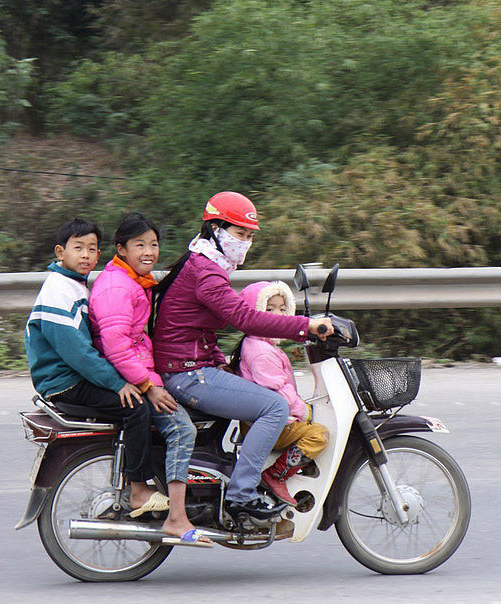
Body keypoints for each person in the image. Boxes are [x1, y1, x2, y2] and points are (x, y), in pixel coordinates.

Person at [152, 191, 333, 522]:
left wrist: (220, 357)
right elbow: (245, 318)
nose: (245, 242)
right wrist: (306, 326)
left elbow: (196, 325)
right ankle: (242, 495)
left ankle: (233, 477)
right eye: (239, 234)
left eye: (249, 236)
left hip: (192, 366)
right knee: (274, 406)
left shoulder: (205, 263)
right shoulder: (206, 271)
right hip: (188, 374)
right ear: (216, 229)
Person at [25, 218, 165, 518]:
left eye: (92, 249)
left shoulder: (76, 285)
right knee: (136, 406)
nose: (86, 255)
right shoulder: (58, 291)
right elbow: (79, 355)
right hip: (65, 383)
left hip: (74, 377)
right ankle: (139, 490)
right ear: (60, 252)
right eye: (79, 248)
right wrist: (119, 383)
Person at [89, 212, 211, 547]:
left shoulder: (134, 281)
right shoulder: (117, 286)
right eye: (139, 244)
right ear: (121, 249)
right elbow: (116, 345)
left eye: (154, 244)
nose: (149, 251)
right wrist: (149, 386)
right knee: (182, 428)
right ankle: (176, 517)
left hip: (141, 371)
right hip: (131, 377)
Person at [228, 280, 329, 506]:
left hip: (269, 417)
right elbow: (277, 392)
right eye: (269, 309)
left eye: (283, 310)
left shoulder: (262, 345)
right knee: (318, 435)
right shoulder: (261, 351)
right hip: (270, 422)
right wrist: (303, 411)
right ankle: (277, 474)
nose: (278, 315)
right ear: (255, 314)